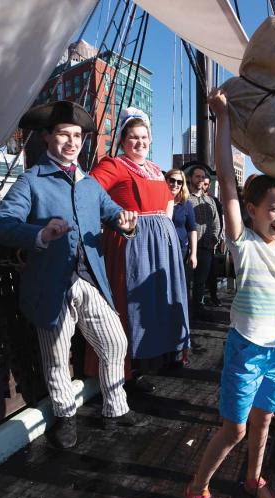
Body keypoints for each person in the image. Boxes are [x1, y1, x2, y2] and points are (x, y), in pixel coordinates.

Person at [184, 89, 275, 498]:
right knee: (235, 429)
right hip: (247, 349)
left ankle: (252, 479)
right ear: (253, 211)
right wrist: (222, 117)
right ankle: (198, 489)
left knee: (265, 420)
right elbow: (225, 178)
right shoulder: (244, 243)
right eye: (273, 210)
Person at [0, 101, 149, 449]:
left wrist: (126, 223)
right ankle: (64, 415)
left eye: (77, 135)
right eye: (64, 134)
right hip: (50, 285)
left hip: (89, 280)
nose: (72, 141)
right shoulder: (31, 181)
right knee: (57, 356)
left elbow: (114, 215)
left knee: (115, 342)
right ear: (47, 136)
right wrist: (40, 234)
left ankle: (115, 405)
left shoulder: (90, 184)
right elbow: (0, 225)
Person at [84, 107, 190, 393]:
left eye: (144, 137)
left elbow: (167, 203)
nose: (139, 142)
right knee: (129, 301)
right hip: (133, 242)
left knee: (157, 300)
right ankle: (129, 371)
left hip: (161, 246)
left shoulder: (156, 169)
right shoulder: (114, 165)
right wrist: (115, 217)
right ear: (122, 139)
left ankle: (161, 354)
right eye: (133, 137)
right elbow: (87, 193)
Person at [187, 164, 222, 312]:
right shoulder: (185, 199)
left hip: (207, 249)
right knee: (186, 282)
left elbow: (216, 223)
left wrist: (214, 239)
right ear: (190, 178)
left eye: (203, 177)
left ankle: (198, 309)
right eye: (197, 176)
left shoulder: (211, 201)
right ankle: (186, 310)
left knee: (201, 283)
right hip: (188, 249)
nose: (200, 179)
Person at [165, 169, 198, 272]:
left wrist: (193, 254)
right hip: (162, 248)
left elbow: (192, 230)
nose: (175, 184)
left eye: (179, 182)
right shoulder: (158, 201)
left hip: (181, 250)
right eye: (172, 180)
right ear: (165, 180)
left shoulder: (186, 204)